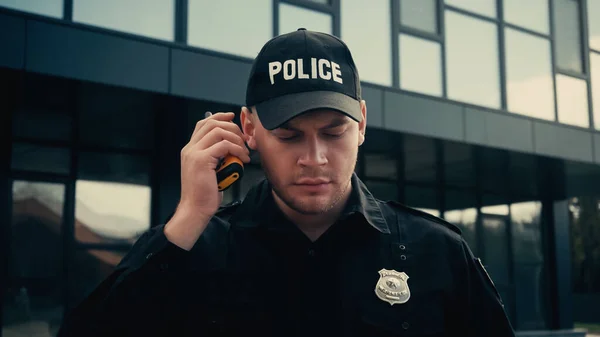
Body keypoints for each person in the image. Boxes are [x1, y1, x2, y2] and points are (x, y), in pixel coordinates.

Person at [57, 28, 515, 337]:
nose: (314, 158)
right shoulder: (194, 250)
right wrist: (188, 218)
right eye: (289, 134)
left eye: (333, 132)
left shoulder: (435, 251)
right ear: (248, 130)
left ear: (361, 124)